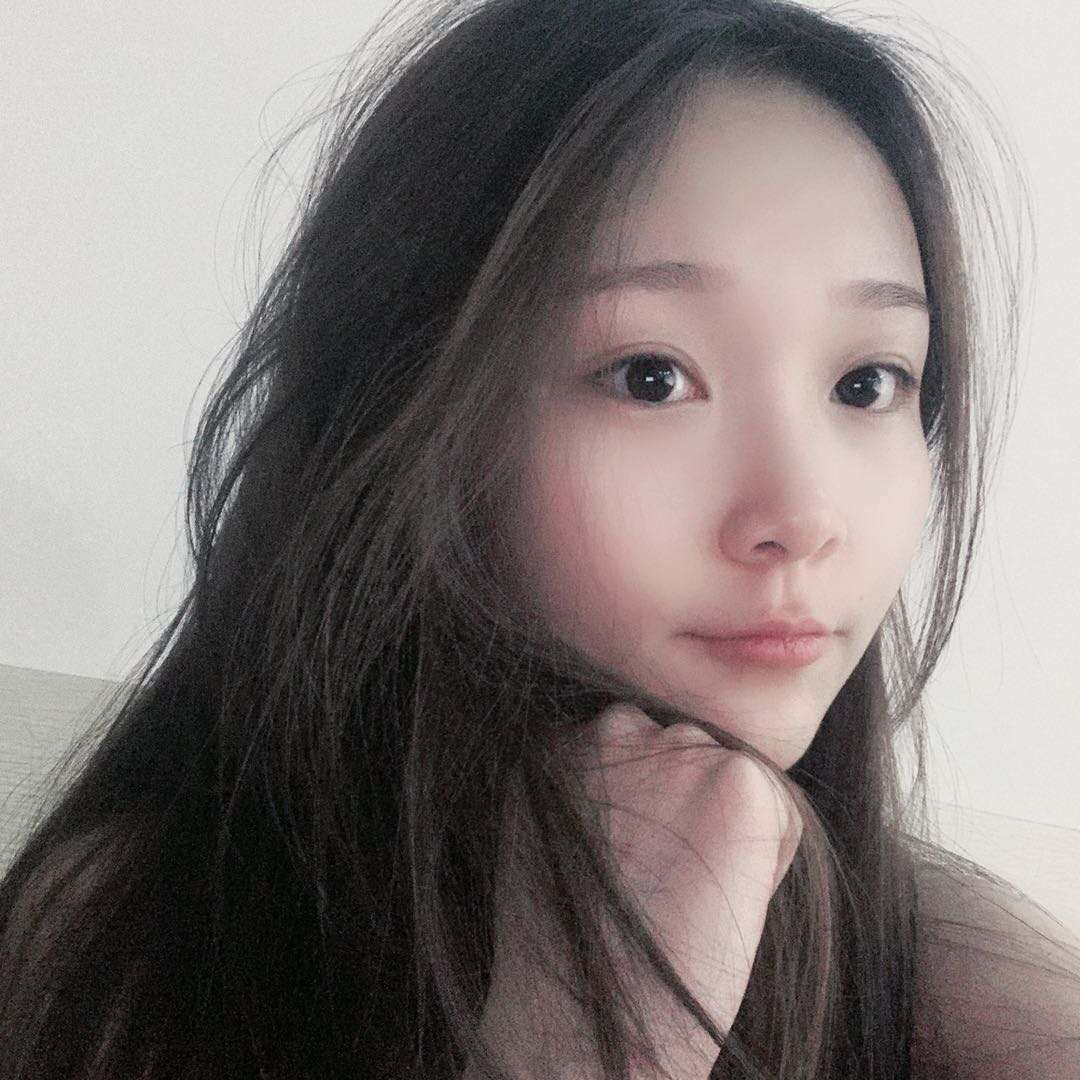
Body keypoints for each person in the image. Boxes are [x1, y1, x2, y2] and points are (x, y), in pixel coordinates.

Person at [1, 0, 1077, 1077]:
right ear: (411, 405)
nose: (802, 518)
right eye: (649, 378)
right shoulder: (134, 950)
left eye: (868, 382)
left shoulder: (950, 980)